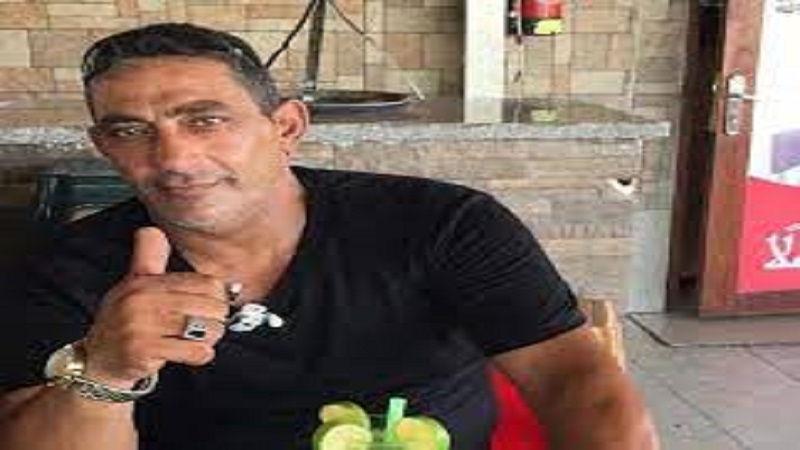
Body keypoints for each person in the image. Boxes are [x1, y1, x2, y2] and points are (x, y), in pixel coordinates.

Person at [0, 23, 657, 450]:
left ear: (286, 127)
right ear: (104, 148)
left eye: (205, 120)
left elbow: (573, 377)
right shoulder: (63, 269)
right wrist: (105, 371)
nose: (173, 158)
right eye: (130, 131)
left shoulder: (443, 223)